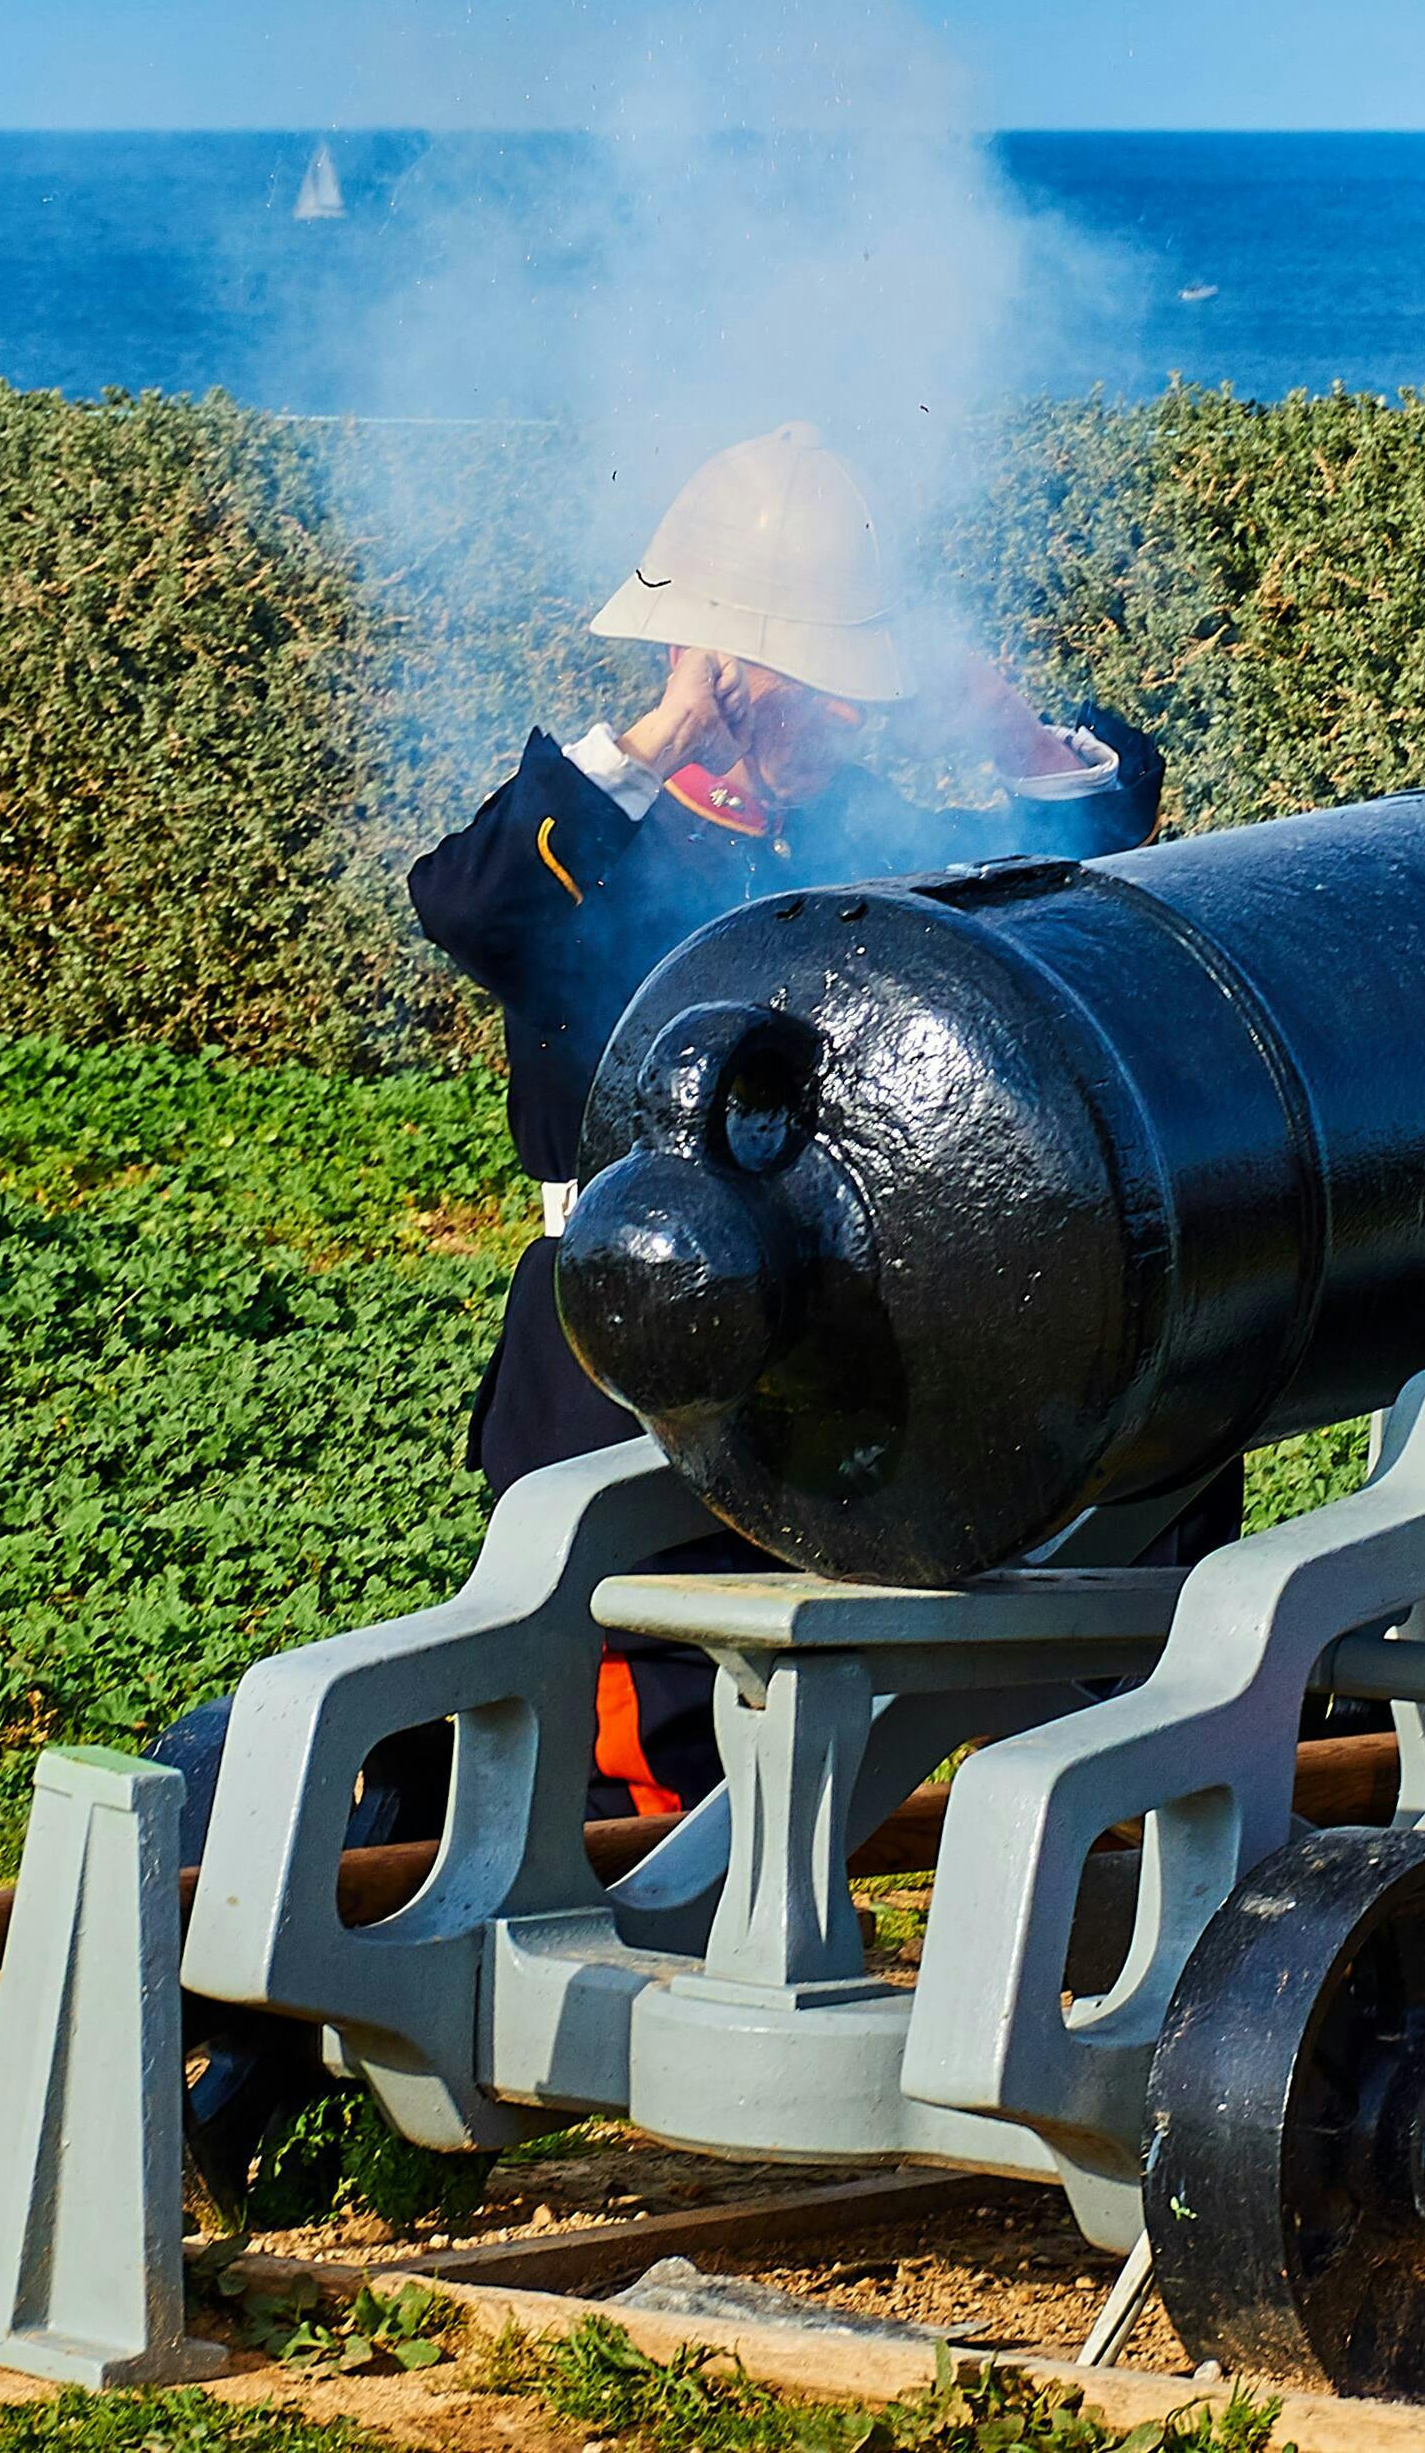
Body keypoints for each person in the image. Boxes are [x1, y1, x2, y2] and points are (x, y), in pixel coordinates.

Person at [405, 419, 1178, 1811]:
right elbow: (467, 902)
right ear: (718, 669)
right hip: (636, 1344)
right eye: (823, 685)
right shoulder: (595, 847)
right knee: (656, 1754)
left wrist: (1009, 730)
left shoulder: (865, 828)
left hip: (848, 1338)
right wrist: (665, 729)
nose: (858, 719)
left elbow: (1077, 884)